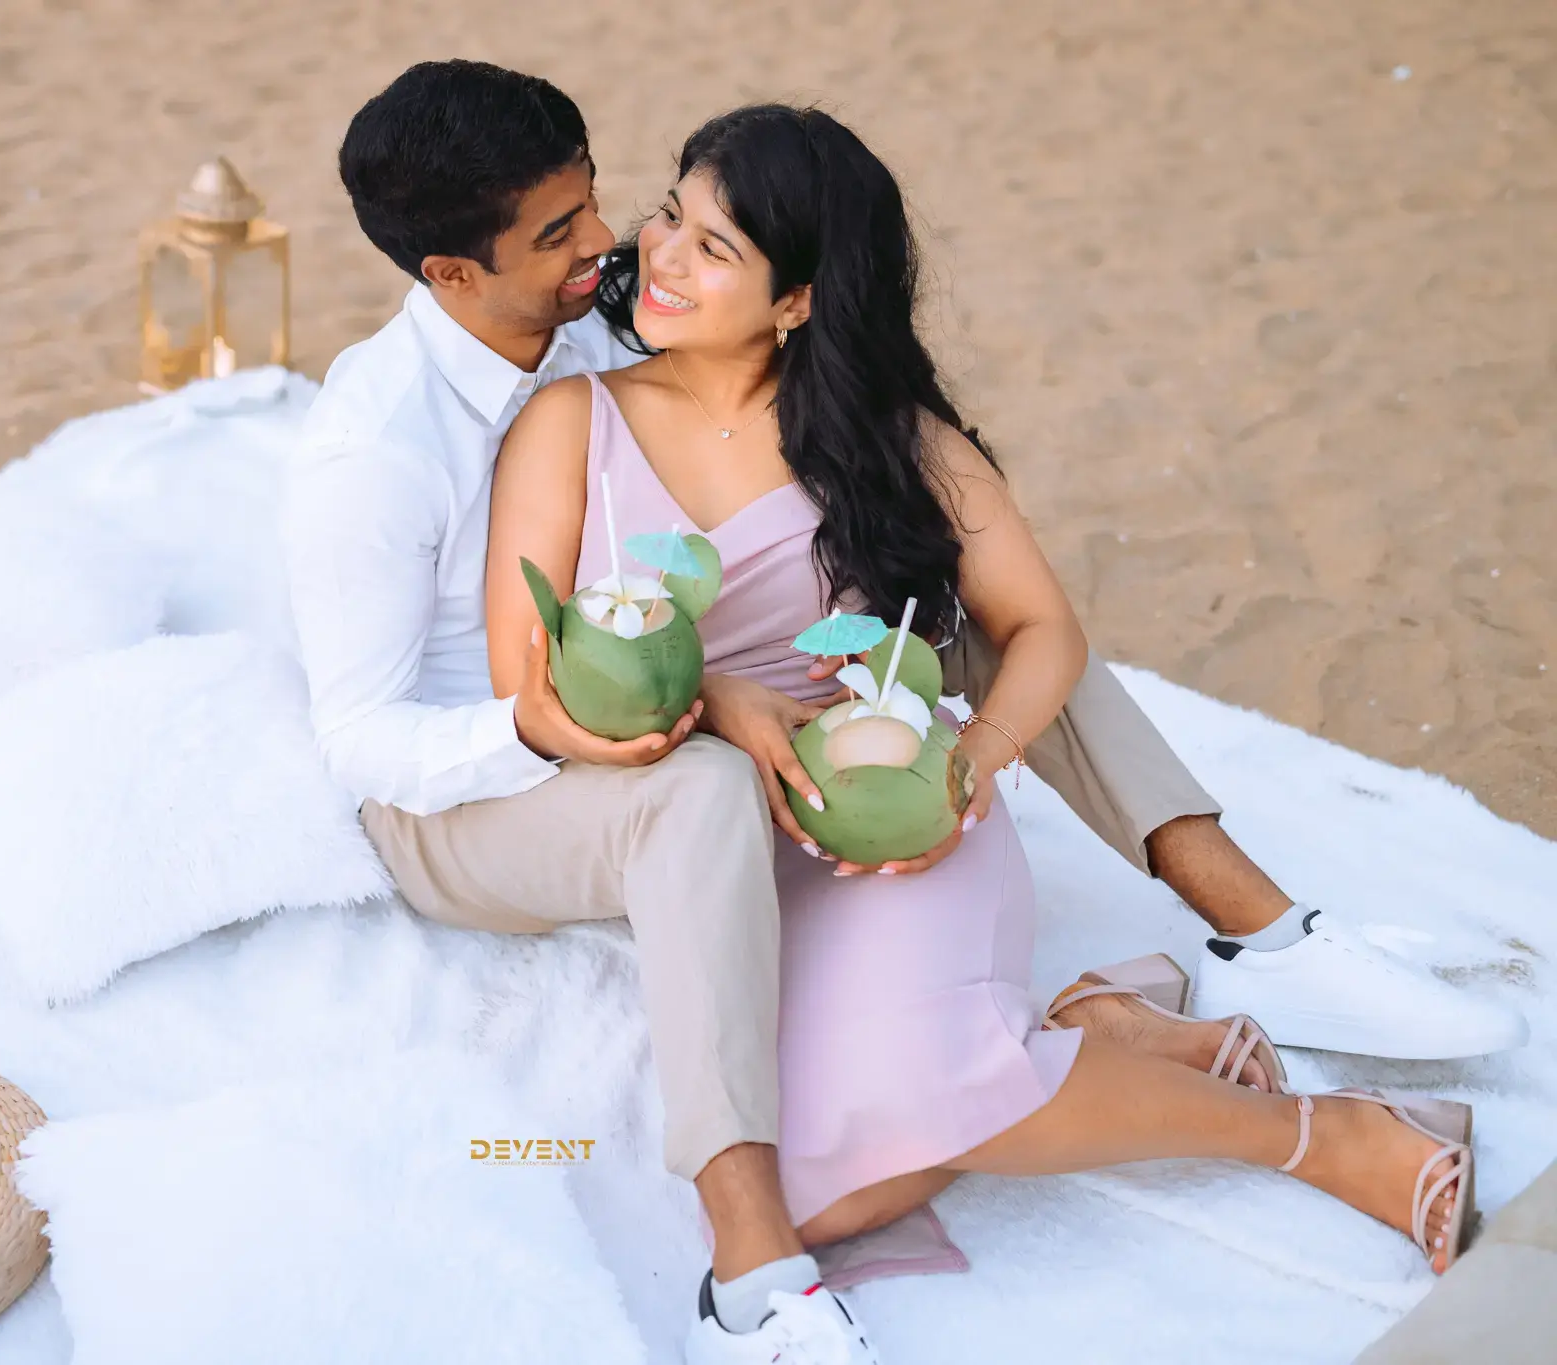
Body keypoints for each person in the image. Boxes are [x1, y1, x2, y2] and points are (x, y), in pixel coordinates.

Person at [282, 62, 1503, 1362]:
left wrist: (964, 759)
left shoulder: (618, 325)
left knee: (961, 604)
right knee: (825, 1104)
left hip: (784, 759)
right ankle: (782, 1248)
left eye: (611, 209)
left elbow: (1019, 610)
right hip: (497, 778)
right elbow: (373, 734)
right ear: (452, 273)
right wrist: (621, 714)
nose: (618, 251)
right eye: (563, 234)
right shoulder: (390, 447)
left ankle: (1262, 932)